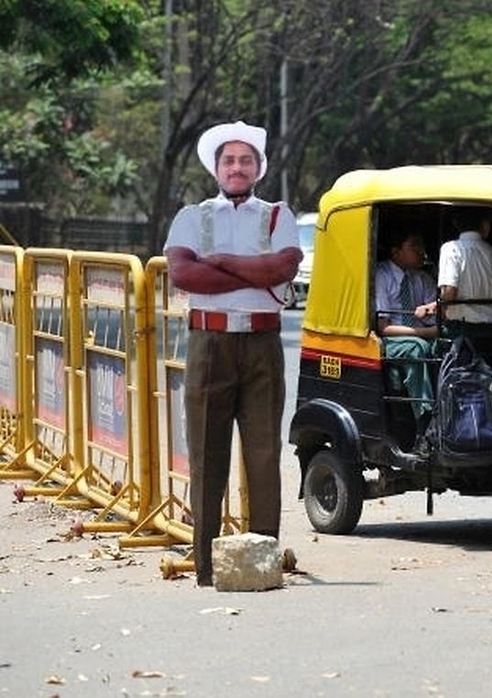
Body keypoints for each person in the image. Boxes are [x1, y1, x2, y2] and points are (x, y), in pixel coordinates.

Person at [164, 120, 303, 586]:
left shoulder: (277, 215)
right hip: (210, 344)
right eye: (229, 161)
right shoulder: (192, 216)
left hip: (263, 343)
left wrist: (220, 262)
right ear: (216, 168)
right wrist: (255, 274)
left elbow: (285, 265)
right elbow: (185, 276)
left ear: (259, 169)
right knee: (207, 456)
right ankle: (206, 567)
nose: (237, 168)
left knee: (264, 454)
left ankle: (262, 563)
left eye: (246, 160)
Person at [375, 231, 438, 431]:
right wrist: (424, 333)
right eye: (414, 246)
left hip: (421, 333)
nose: (421, 252)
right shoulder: (382, 276)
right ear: (396, 252)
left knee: (444, 346)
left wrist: (431, 311)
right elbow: (383, 327)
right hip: (392, 339)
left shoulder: (421, 277)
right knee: (417, 348)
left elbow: (433, 316)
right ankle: (424, 419)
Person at [437, 207, 492, 351]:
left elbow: (449, 291)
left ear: (456, 224)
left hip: (462, 330)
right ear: (484, 224)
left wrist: (440, 309)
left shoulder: (451, 248)